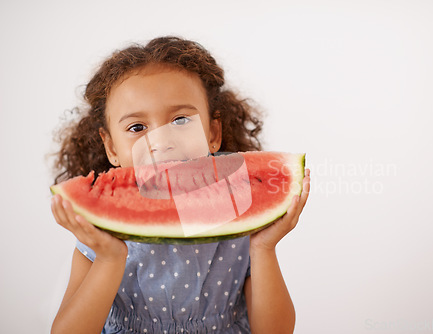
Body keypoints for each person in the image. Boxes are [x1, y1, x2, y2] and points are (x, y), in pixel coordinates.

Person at [50, 36, 310, 334]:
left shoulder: (240, 219)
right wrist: (110, 258)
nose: (161, 142)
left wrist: (264, 247)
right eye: (137, 127)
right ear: (111, 148)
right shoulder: (98, 234)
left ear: (213, 132)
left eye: (181, 120)